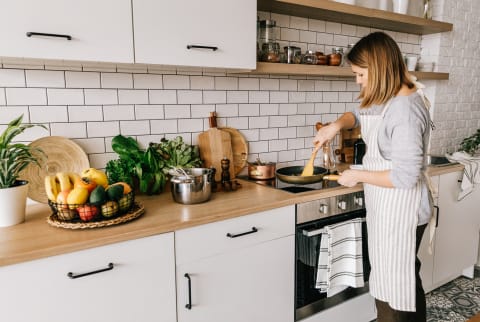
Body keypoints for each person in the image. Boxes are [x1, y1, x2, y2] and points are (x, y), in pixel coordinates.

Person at [313, 32, 433, 322]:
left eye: (360, 74)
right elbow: (358, 113)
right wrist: (335, 126)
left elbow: (405, 176)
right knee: (394, 281)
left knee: (396, 288)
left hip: (404, 211)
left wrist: (357, 175)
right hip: (389, 207)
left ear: (378, 69)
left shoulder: (405, 111)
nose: (358, 81)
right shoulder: (389, 96)